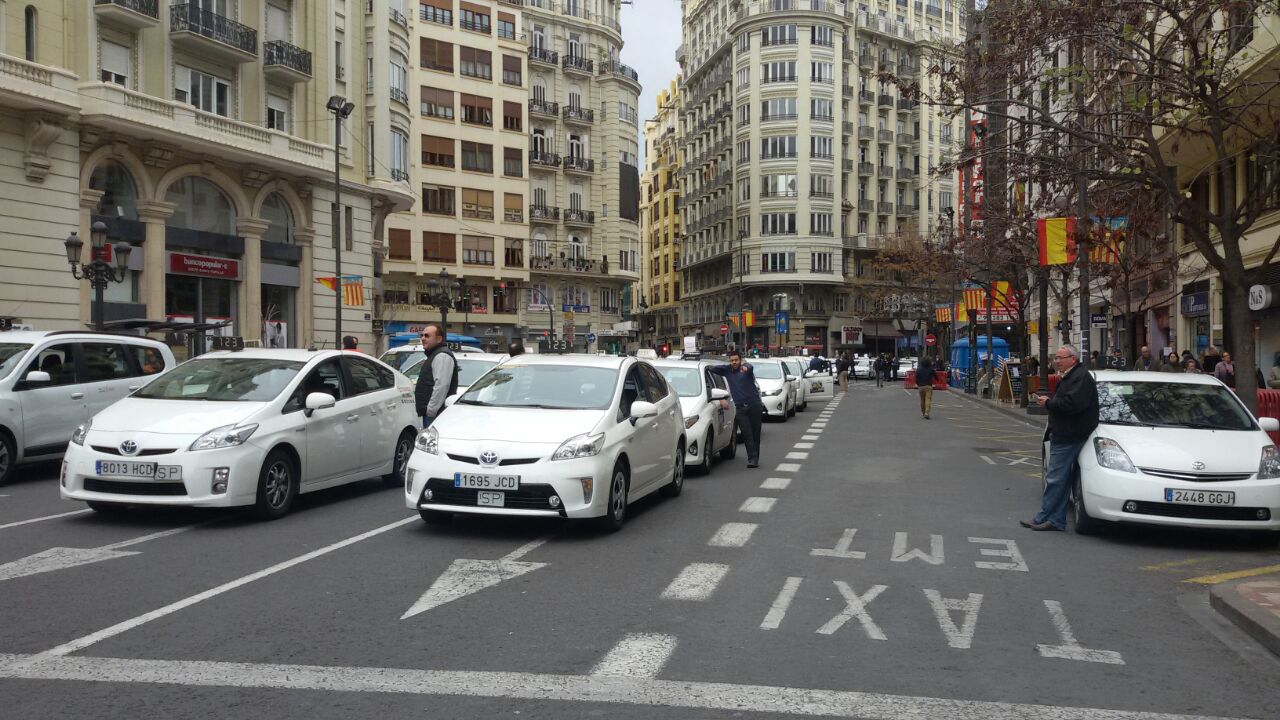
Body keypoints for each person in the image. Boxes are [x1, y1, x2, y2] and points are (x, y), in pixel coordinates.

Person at [1024, 344, 1098, 532]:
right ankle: (1055, 519)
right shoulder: (1074, 376)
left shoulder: (1079, 378)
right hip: (1067, 432)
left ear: (1072, 359)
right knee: (1061, 478)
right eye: (1056, 358)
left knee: (1055, 478)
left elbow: (1071, 404)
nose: (1056, 361)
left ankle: (1045, 517)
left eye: (1060, 358)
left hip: (1068, 435)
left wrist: (1048, 402)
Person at [708, 350, 764, 468]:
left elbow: (750, 367)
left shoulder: (746, 369)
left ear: (740, 360)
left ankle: (755, 457)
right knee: (746, 433)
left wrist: (745, 368)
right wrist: (705, 365)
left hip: (754, 405)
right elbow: (713, 369)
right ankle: (752, 459)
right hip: (740, 408)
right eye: (732, 360)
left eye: (736, 360)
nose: (734, 362)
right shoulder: (727, 370)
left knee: (755, 433)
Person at [414, 322, 458, 428]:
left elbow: (441, 385)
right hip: (431, 413)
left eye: (427, 336)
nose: (423, 338)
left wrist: (431, 410)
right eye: (422, 335)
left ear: (439, 339)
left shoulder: (441, 356)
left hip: (435, 415)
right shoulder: (435, 355)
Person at [916, 352, 937, 419]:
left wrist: (918, 384)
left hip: (921, 386)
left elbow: (916, 378)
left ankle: (923, 412)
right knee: (928, 399)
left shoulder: (919, 369)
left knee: (922, 400)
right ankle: (927, 412)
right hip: (928, 386)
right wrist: (937, 379)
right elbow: (935, 376)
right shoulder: (931, 369)